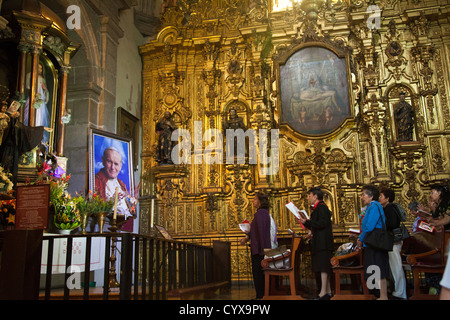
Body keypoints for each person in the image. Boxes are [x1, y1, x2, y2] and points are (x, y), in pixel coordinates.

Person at [239, 192, 277, 300]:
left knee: (258, 274)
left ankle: (261, 297)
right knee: (258, 274)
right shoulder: (263, 213)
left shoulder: (260, 214)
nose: (253, 201)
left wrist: (262, 251)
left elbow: (261, 233)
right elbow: (257, 231)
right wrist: (247, 237)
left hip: (259, 250)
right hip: (260, 248)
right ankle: (260, 296)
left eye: (255, 199)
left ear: (260, 201)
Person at [298, 187, 334, 300]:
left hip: (322, 243)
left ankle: (323, 292)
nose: (308, 198)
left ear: (315, 196)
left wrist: (308, 222)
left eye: (310, 195)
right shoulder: (319, 208)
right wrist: (307, 223)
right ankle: (327, 291)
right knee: (323, 267)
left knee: (323, 267)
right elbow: (316, 224)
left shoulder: (321, 207)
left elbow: (322, 223)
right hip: (320, 242)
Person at [356, 185, 390, 300]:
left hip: (376, 243)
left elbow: (369, 226)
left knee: (379, 269)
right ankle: (374, 295)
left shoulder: (375, 206)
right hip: (371, 243)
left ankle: (383, 296)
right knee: (372, 270)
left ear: (371, 196)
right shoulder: (371, 206)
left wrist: (360, 238)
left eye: (363, 194)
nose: (361, 197)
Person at [379, 188, 407, 299]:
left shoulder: (390, 208)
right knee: (393, 267)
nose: (379, 198)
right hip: (391, 241)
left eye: (381, 196)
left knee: (396, 267)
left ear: (387, 198)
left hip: (393, 241)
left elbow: (393, 224)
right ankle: (397, 290)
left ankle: (400, 293)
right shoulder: (387, 208)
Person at [94, 146, 130, 217]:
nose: (112, 167)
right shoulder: (96, 181)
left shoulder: (121, 184)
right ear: (103, 161)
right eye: (109, 162)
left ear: (120, 166)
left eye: (116, 164)